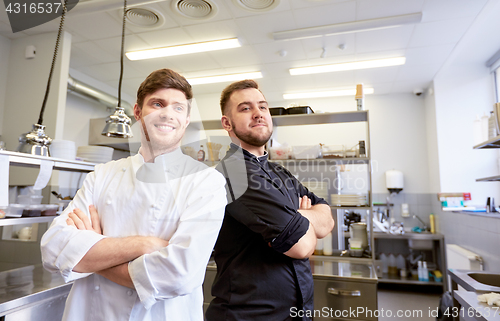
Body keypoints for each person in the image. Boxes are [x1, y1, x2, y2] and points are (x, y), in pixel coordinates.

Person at [41, 69, 227, 321]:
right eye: (157, 103)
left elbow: (180, 275)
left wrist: (91, 253)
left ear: (186, 120)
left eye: (178, 108)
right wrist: (143, 245)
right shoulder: (102, 174)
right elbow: (53, 249)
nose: (167, 114)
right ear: (138, 112)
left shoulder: (206, 181)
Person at [205, 79, 335, 321]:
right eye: (245, 108)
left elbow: (327, 221)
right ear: (227, 123)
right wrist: (302, 219)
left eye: (263, 107)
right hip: (250, 315)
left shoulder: (280, 172)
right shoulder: (233, 173)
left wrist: (298, 217)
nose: (258, 114)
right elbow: (302, 246)